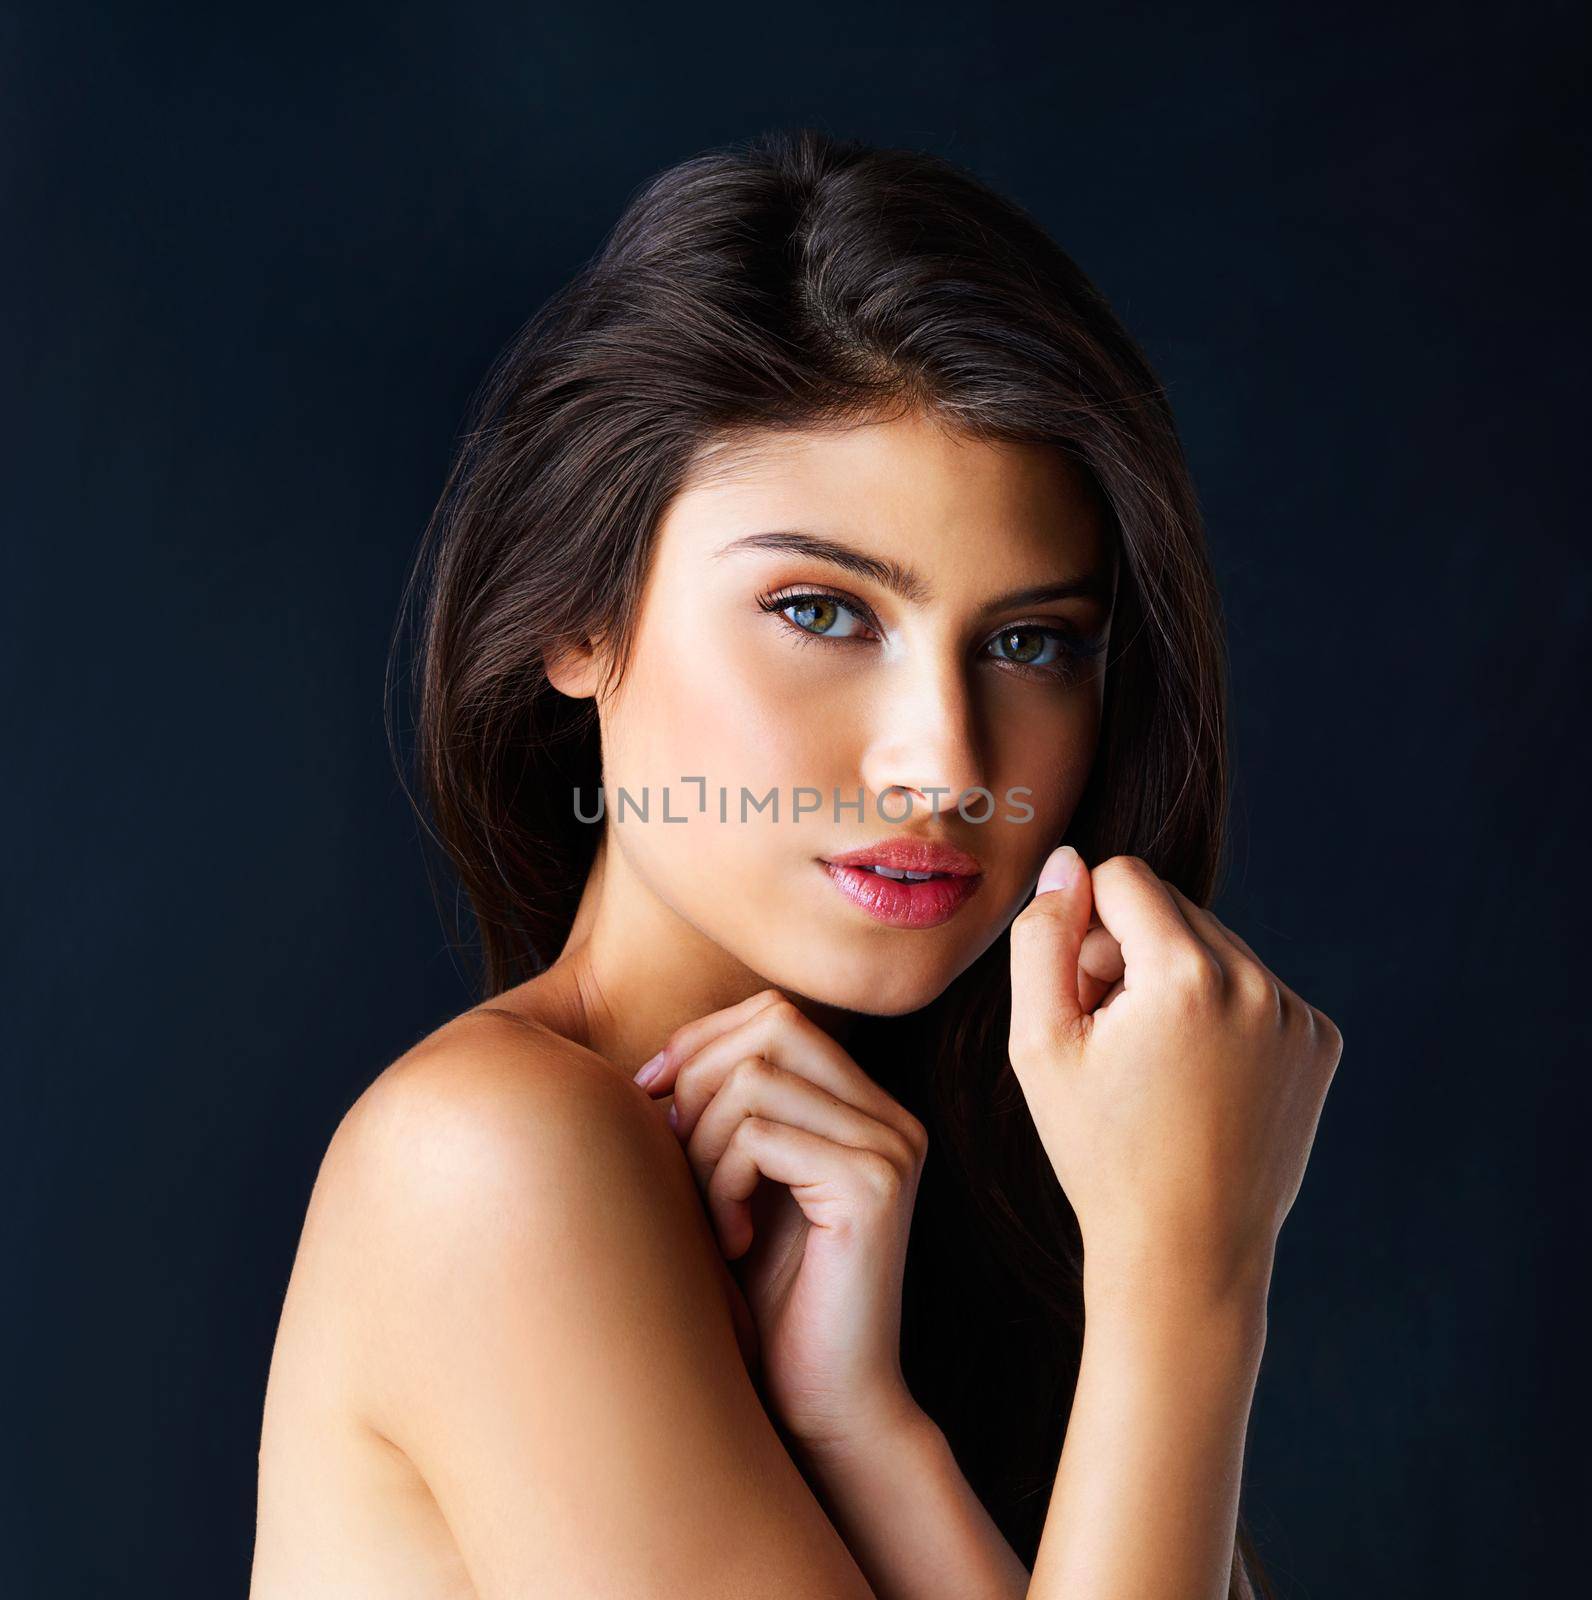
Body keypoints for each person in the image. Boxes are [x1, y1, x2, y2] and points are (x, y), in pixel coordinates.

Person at [249, 126, 1343, 1600]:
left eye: (1030, 644)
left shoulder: (856, 1225)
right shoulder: (494, 1159)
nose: (946, 765)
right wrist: (1188, 1275)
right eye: (822, 612)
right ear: (579, 620)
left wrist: (866, 1433)